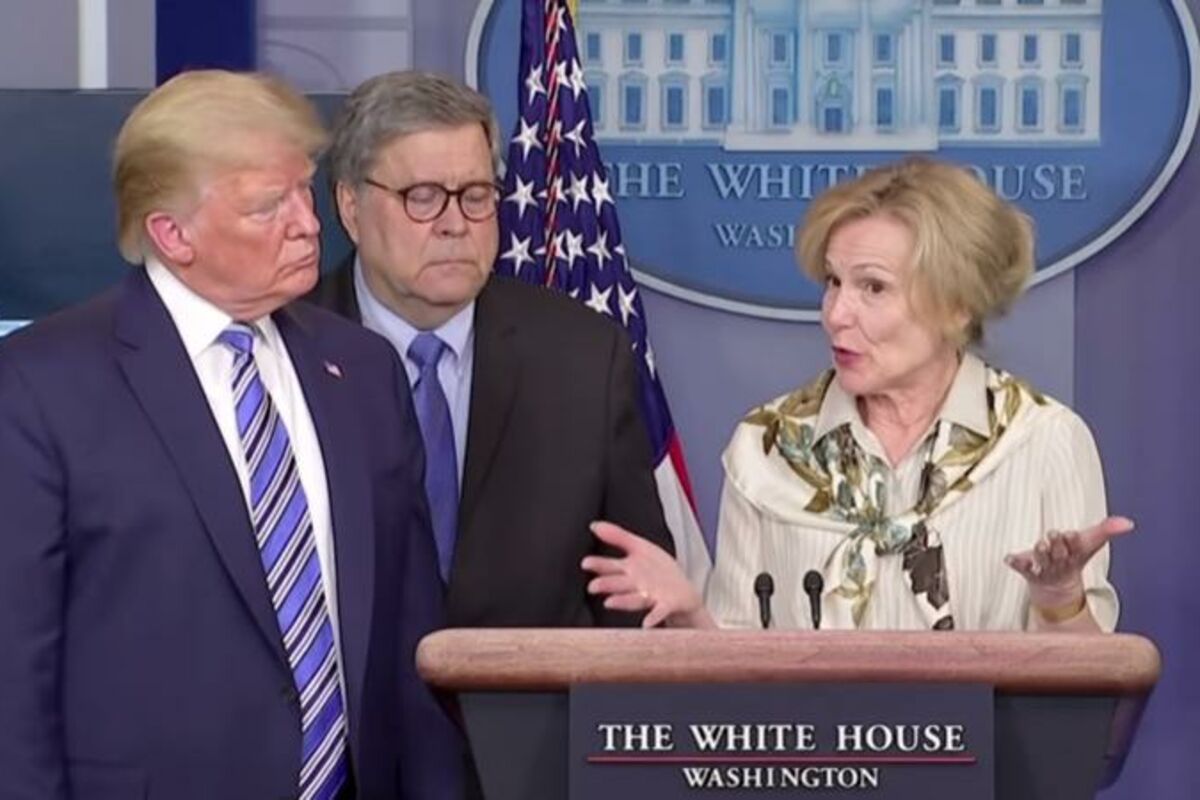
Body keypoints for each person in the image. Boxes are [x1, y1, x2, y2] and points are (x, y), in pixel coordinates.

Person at [0, 70, 460, 799]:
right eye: (268, 206)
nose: (308, 224)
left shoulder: (363, 370)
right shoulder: (41, 386)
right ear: (172, 234)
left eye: (303, 191)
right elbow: (14, 672)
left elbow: (412, 638)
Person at [583, 157, 1131, 633]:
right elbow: (737, 674)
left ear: (958, 305)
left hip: (993, 731)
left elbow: (1085, 693)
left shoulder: (1044, 443)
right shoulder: (767, 446)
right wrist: (691, 618)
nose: (836, 314)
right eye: (833, 282)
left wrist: (1060, 599)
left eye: (872, 287)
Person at [307, 70, 675, 627]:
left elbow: (632, 594)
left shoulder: (583, 359)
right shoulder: (288, 350)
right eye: (422, 197)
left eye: (476, 196)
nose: (456, 224)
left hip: (532, 684)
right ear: (350, 206)